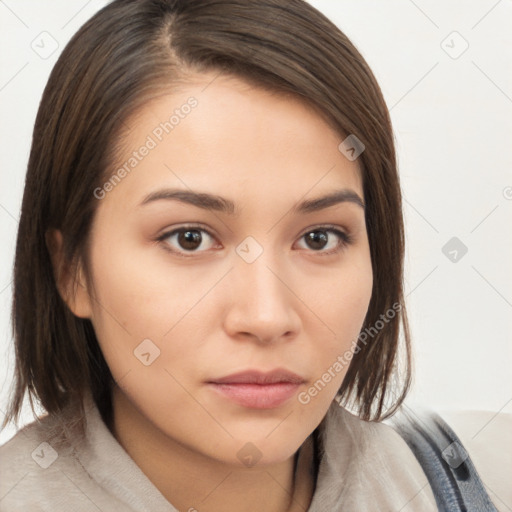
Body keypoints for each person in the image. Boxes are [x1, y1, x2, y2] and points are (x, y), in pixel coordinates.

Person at [0, 1, 505, 511]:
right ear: (72, 271)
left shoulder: (480, 479)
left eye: (319, 238)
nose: (266, 317)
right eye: (190, 238)